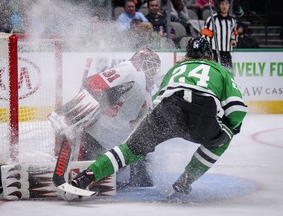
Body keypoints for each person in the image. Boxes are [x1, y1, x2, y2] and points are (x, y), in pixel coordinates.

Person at [65, 37, 248, 199]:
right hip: (203, 115)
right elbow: (237, 110)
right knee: (223, 138)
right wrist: (229, 127)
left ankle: (85, 177)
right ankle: (185, 181)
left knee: (129, 150)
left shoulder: (176, 70)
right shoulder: (220, 70)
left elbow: (154, 105)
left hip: (167, 110)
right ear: (209, 56)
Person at [49, 48, 161, 189]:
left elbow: (141, 125)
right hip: (96, 137)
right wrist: (83, 112)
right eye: (151, 65)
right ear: (140, 61)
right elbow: (94, 83)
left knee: (143, 146)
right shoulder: (131, 69)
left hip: (111, 144)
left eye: (155, 67)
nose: (153, 71)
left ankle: (135, 180)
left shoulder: (146, 93)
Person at [201, 0, 238, 71]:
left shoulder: (232, 20)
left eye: (226, 4)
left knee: (228, 74)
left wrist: (233, 39)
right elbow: (205, 35)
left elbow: (234, 32)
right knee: (214, 73)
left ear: (229, 5)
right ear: (219, 5)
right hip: (214, 52)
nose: (224, 6)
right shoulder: (212, 19)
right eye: (222, 4)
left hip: (227, 53)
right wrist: (207, 49)